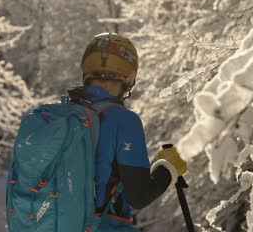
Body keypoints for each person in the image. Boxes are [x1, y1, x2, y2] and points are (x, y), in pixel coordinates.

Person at [66, 33, 188, 231]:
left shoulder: (60, 116)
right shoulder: (122, 120)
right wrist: (170, 168)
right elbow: (139, 196)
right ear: (129, 76)